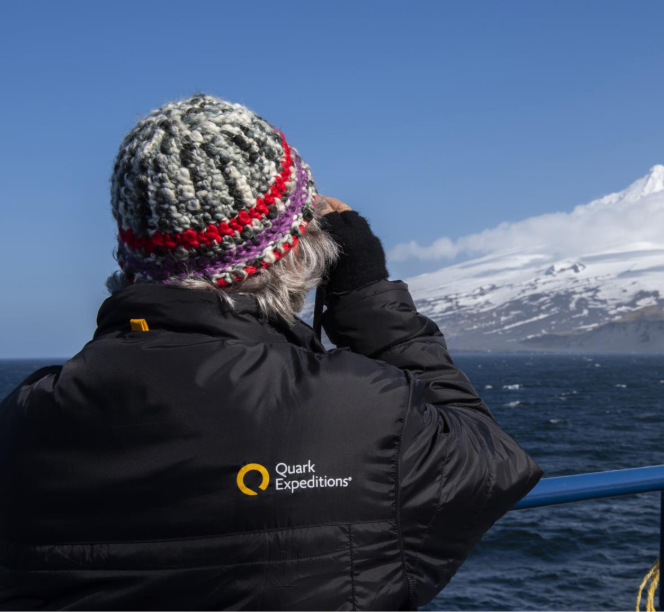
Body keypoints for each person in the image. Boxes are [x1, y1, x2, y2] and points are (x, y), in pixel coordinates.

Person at [0, 94, 542, 611]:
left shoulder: (24, 422)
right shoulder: (361, 416)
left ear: (133, 250)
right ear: (299, 248)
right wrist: (365, 294)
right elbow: (491, 460)